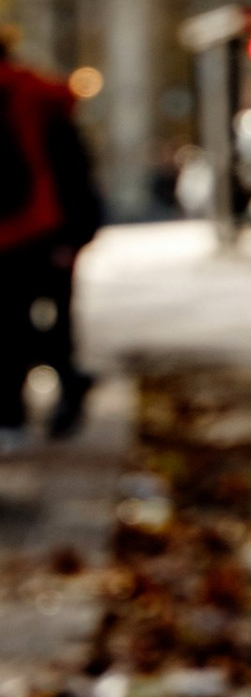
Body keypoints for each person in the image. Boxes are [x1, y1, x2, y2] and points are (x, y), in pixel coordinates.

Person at [0, 30, 103, 443]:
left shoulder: (32, 98)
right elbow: (75, 167)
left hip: (24, 230)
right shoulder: (40, 94)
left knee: (11, 324)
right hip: (49, 227)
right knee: (49, 321)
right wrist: (77, 232)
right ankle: (66, 383)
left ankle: (15, 412)